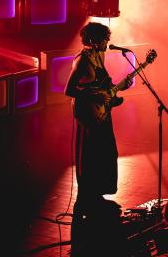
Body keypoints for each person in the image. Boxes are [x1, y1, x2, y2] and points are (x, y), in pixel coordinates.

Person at [65, 22, 132, 255]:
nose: (107, 42)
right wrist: (94, 94)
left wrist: (117, 90)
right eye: (104, 38)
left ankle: (98, 194)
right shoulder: (82, 60)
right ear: (94, 40)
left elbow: (104, 86)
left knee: (106, 153)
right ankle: (87, 197)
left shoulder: (98, 57)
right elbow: (69, 89)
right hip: (89, 116)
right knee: (91, 155)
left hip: (102, 114)